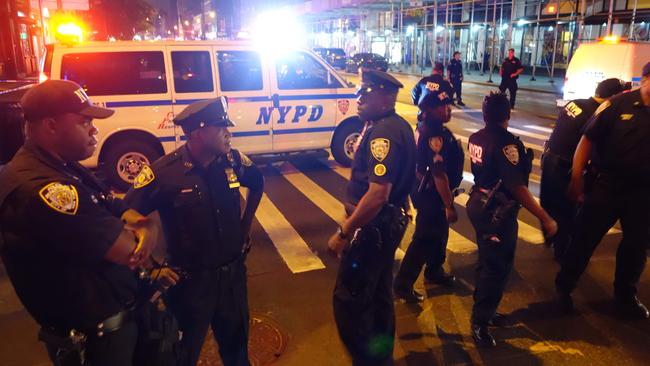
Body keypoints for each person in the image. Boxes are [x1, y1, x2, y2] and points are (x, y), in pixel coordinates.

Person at [0, 80, 159, 365]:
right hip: (97, 345)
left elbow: (118, 206)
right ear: (50, 125)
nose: (94, 129)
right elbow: (127, 249)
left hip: (111, 330)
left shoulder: (61, 164)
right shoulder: (44, 188)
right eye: (84, 122)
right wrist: (148, 228)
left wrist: (143, 225)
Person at [124, 97, 264, 366]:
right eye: (220, 127)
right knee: (182, 355)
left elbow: (257, 183)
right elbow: (126, 215)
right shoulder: (164, 172)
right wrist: (152, 266)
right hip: (190, 285)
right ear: (198, 133)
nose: (228, 133)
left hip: (232, 278)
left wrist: (245, 226)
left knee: (237, 351)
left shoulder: (232, 161)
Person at [328, 69, 416, 365]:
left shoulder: (384, 133)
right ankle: (381, 357)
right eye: (360, 91)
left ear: (386, 97)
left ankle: (368, 360)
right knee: (378, 295)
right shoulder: (387, 125)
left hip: (372, 229)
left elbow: (378, 193)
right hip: (382, 225)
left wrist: (344, 232)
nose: (359, 97)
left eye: (367, 92)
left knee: (350, 300)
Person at [556, 62, 650, 319]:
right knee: (584, 240)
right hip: (607, 187)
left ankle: (625, 295)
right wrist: (576, 178)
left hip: (642, 194)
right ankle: (564, 287)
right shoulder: (617, 105)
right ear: (645, 80)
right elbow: (587, 139)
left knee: (636, 246)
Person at [466, 92, 557, 347]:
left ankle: (484, 308)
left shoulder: (476, 137)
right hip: (497, 213)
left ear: (484, 115)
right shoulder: (507, 144)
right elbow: (517, 187)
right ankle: (480, 321)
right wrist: (545, 217)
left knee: (487, 261)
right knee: (497, 268)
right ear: (508, 114)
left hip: (479, 205)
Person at [540, 78, 629, 260]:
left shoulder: (575, 103)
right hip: (565, 166)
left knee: (549, 201)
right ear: (612, 96)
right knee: (567, 210)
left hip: (549, 158)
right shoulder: (598, 114)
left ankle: (550, 237)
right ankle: (562, 252)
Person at [393, 86, 464, 303]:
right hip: (431, 193)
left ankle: (435, 270)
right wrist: (448, 204)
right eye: (444, 106)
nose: (449, 109)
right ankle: (403, 284)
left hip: (427, 190)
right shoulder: (434, 133)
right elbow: (438, 173)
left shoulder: (426, 126)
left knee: (440, 232)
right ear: (431, 109)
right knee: (424, 237)